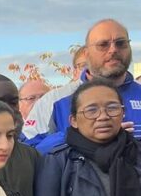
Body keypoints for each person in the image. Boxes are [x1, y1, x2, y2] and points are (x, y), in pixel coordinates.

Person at [23, 19, 141, 153]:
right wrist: (80, 136)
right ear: (86, 53)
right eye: (103, 45)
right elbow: (28, 151)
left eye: (121, 43)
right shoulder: (54, 101)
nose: (113, 50)